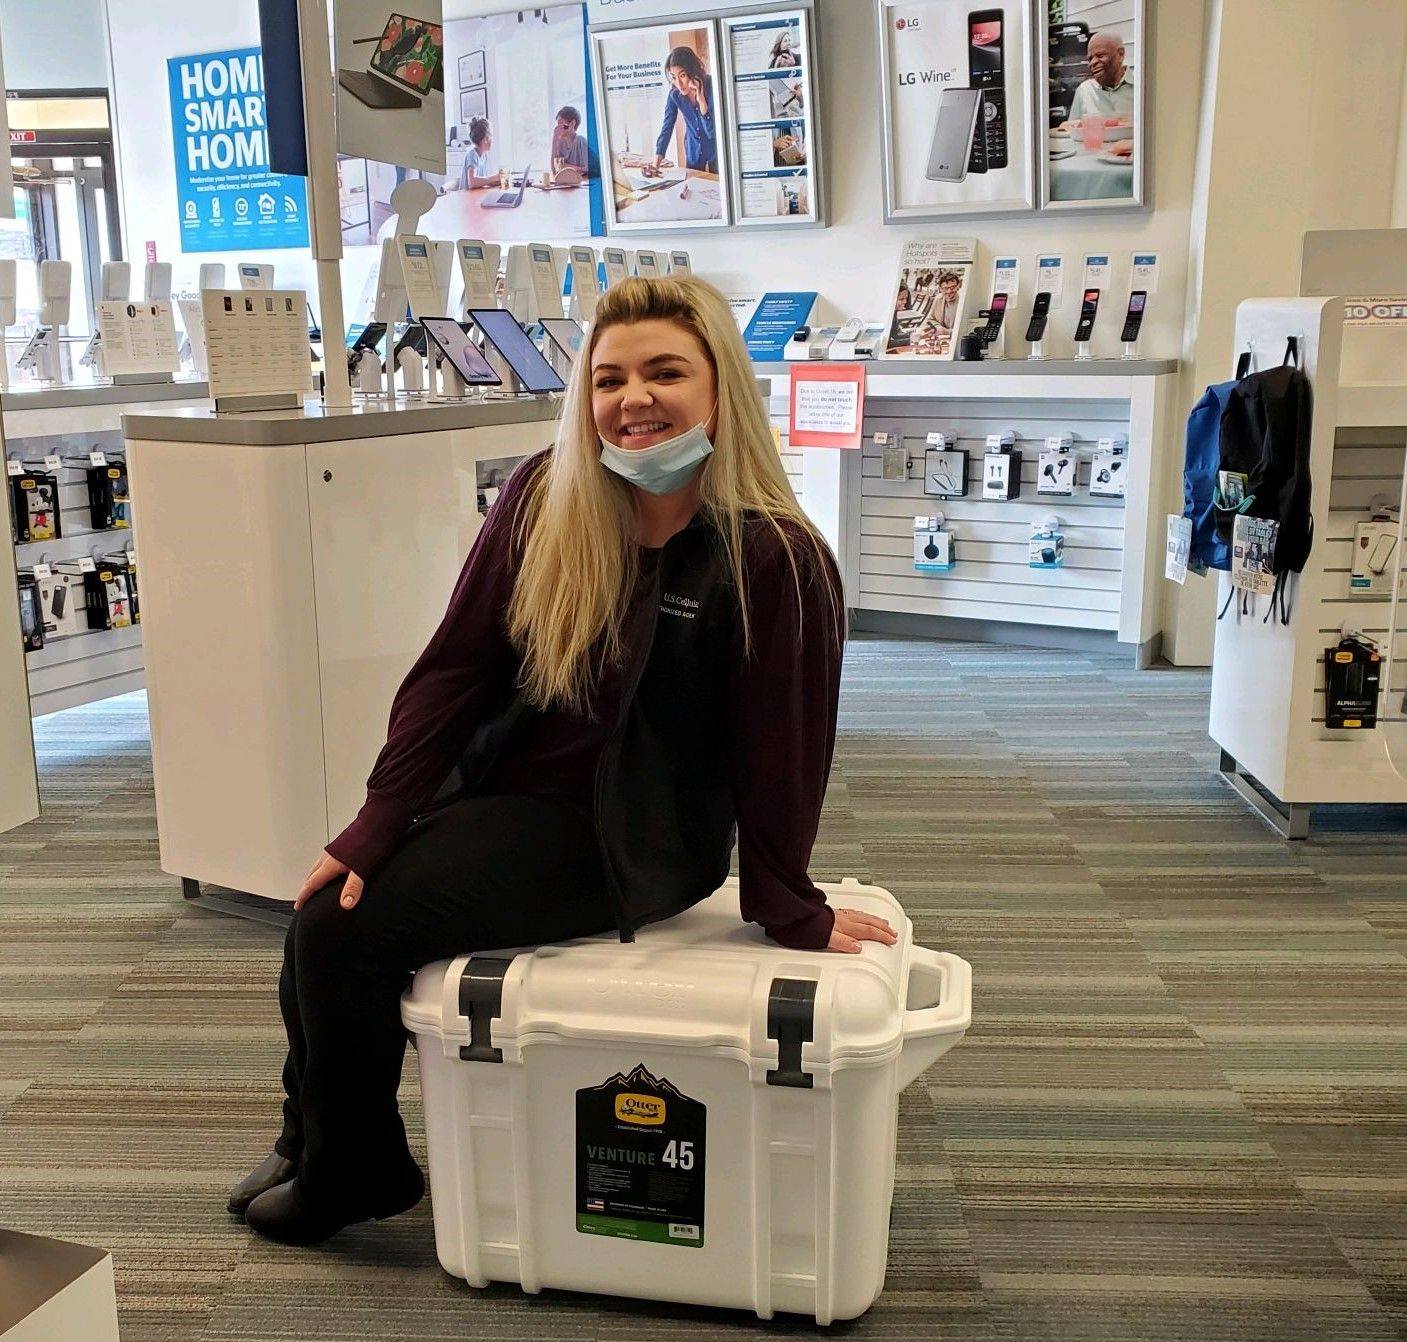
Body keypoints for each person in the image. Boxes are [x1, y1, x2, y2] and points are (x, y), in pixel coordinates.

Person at [228, 276, 896, 1246]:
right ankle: (309, 1135)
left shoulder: (774, 557)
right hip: (510, 796)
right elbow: (453, 671)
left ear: (721, 388)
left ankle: (352, 1169)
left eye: (665, 372)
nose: (634, 398)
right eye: (609, 378)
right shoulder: (548, 494)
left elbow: (784, 753)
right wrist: (376, 823)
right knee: (325, 906)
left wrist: (788, 902)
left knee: (342, 933)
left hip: (634, 839)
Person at [653, 46, 718, 174]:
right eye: (673, 77)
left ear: (692, 70)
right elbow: (667, 127)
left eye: (682, 75)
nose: (678, 83)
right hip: (693, 150)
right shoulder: (674, 95)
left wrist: (702, 103)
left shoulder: (712, 85)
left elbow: (712, 133)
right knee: (694, 183)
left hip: (716, 149)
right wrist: (656, 164)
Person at [1067, 31, 1135, 124]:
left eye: (1100, 55)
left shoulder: (1141, 87)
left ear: (1120, 54)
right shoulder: (1085, 91)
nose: (1092, 63)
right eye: (1090, 59)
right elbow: (1071, 129)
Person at [551, 105, 595, 176]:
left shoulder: (580, 140)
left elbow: (589, 169)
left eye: (561, 123)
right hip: (565, 181)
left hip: (580, 181)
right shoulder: (560, 143)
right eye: (557, 124)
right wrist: (554, 139)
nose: (558, 128)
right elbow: (554, 170)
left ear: (572, 123)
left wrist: (568, 167)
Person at [460, 116, 497, 189]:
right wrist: (494, 178)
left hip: (477, 194)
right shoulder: (472, 155)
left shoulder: (484, 155)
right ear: (485, 139)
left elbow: (483, 181)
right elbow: (472, 182)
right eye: (491, 136)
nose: (492, 140)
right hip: (468, 195)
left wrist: (498, 180)